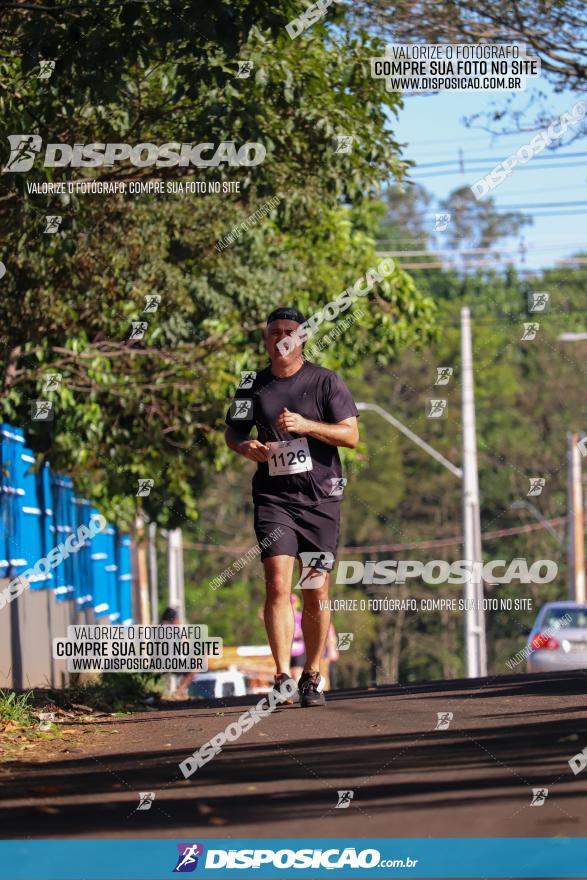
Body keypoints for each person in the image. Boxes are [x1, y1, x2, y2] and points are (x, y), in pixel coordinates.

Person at [225, 306, 359, 707]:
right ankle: (282, 675)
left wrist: (307, 426)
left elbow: (350, 435)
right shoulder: (252, 384)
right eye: (274, 332)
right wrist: (244, 446)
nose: (281, 338)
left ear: (301, 339)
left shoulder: (324, 381)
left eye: (289, 331)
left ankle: (311, 674)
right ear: (266, 339)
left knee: (315, 589)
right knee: (278, 585)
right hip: (273, 498)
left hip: (320, 499)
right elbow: (233, 432)